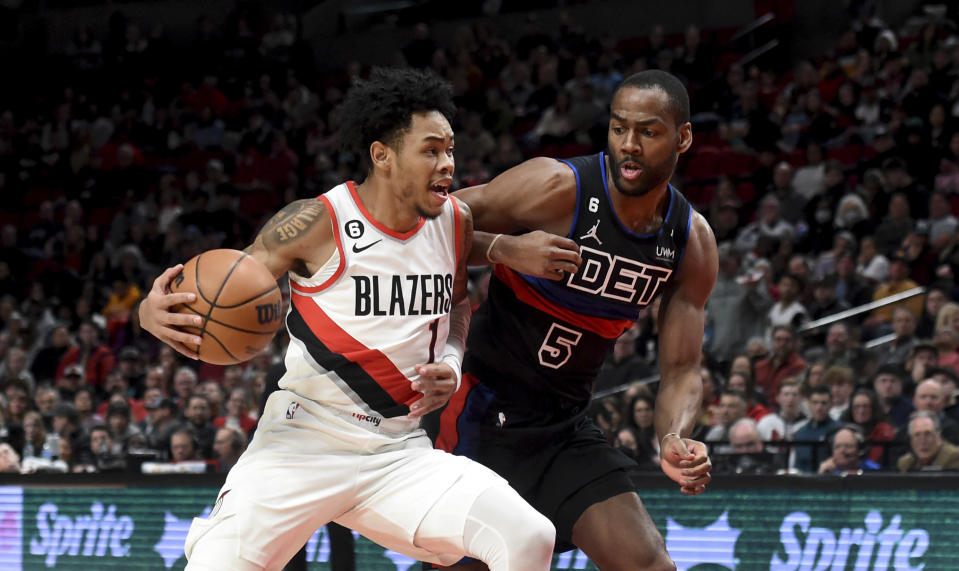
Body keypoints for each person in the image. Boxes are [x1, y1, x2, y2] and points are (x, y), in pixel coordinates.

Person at [138, 68, 555, 571]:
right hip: (302, 442)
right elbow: (230, 286)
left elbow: (459, 306)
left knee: (529, 535)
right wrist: (149, 310)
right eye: (430, 151)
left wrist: (450, 356)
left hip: (397, 451)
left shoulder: (456, 222)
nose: (447, 164)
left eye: (449, 150)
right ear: (382, 155)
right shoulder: (317, 221)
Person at [439, 69, 715, 569]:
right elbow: (423, 231)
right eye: (618, 128)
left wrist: (673, 437)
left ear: (683, 137)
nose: (629, 145)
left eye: (648, 132)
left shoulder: (689, 241)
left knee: (651, 564)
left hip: (562, 425)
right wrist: (506, 249)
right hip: (482, 410)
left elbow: (681, 369)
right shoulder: (557, 186)